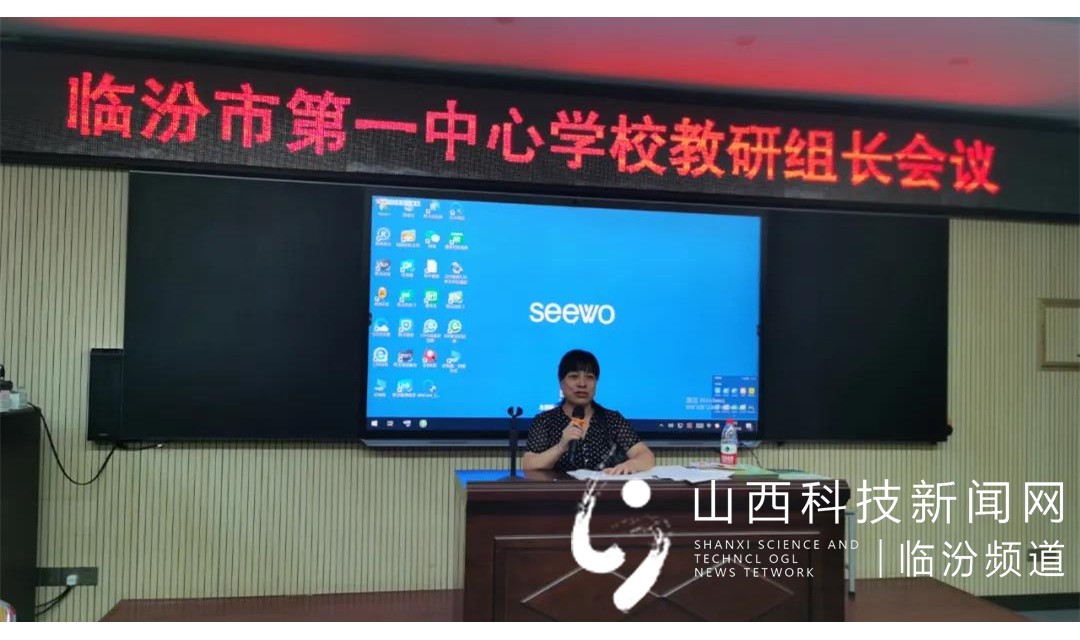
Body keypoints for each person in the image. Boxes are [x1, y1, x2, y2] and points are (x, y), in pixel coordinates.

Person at [523, 349, 655, 474]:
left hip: (603, 489)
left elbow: (645, 456)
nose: (582, 384)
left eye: (590, 377)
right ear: (561, 383)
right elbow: (529, 464)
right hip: (560, 490)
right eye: (574, 376)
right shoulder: (545, 421)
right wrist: (561, 447)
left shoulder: (612, 419)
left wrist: (631, 465)